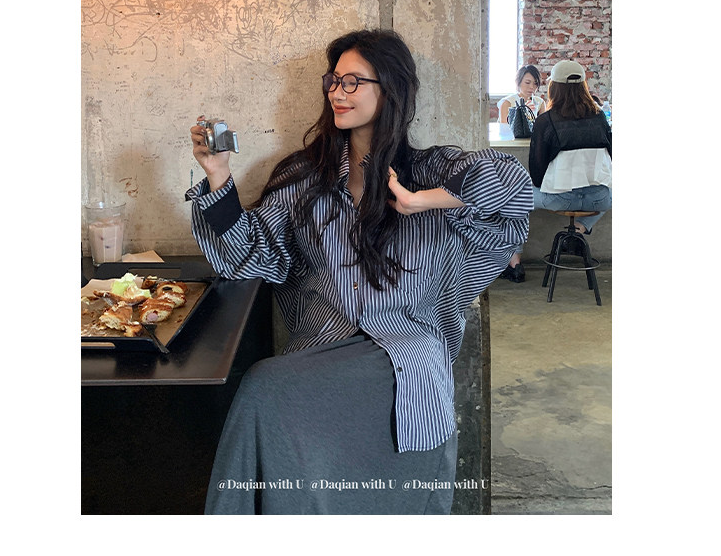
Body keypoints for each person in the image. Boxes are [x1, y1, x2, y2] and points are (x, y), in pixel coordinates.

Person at [186, 29, 532, 515]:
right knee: (268, 395)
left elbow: (514, 186)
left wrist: (421, 201)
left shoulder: (432, 171)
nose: (337, 91)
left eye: (353, 81)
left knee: (266, 386)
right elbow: (247, 256)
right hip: (316, 355)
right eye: (333, 80)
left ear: (390, 89)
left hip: (407, 362)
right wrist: (219, 176)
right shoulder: (304, 179)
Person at [528, 59, 612, 235]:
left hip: (560, 200)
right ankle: (580, 228)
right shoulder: (600, 118)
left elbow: (537, 175)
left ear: (554, 88)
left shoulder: (545, 121)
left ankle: (514, 250)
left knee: (512, 196)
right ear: (583, 87)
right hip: (599, 200)